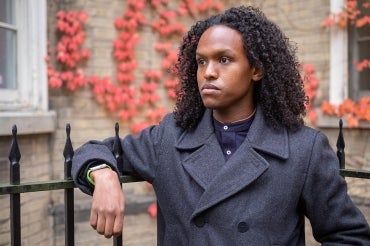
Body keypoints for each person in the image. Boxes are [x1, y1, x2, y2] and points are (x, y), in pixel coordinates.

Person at [71, 5, 370, 245]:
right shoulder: (170, 138)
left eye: (224, 60)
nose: (209, 73)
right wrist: (104, 175)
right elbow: (94, 151)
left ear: (255, 69)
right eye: (201, 62)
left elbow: (348, 236)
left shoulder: (303, 149)